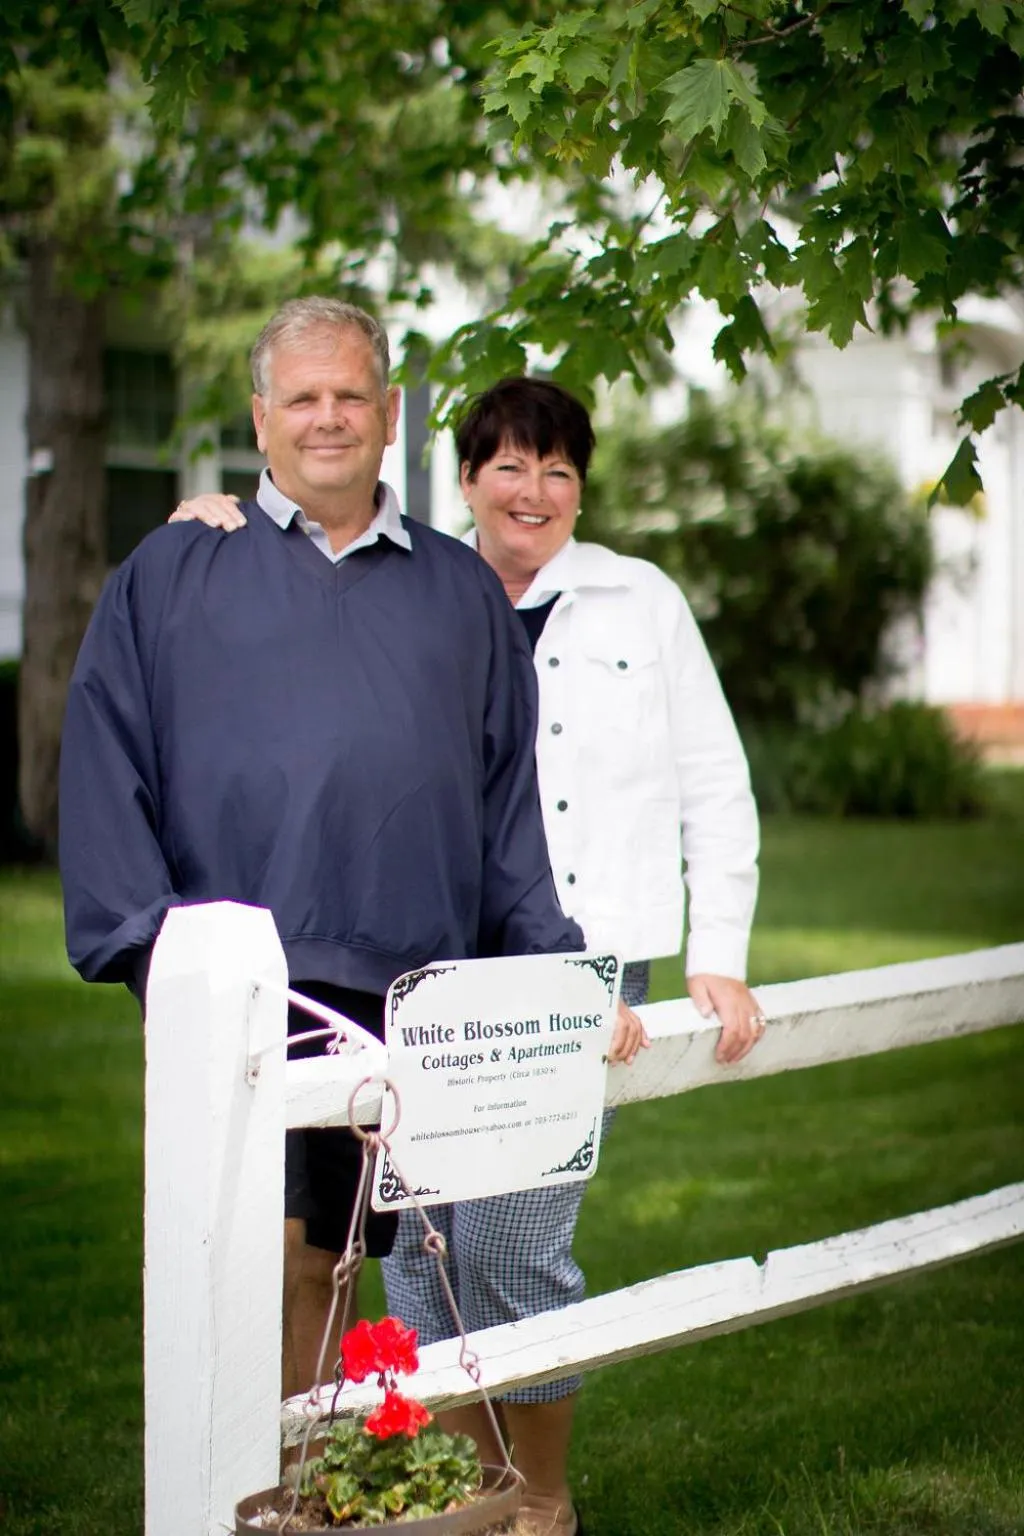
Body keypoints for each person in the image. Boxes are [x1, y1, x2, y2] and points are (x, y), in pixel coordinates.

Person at [171, 375, 764, 1535]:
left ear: (580, 487)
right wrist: (213, 523)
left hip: (582, 966)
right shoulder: (417, 587)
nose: (531, 490)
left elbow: (713, 781)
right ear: (471, 479)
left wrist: (722, 947)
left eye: (556, 469)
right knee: (417, 1238)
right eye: (507, 465)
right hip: (434, 963)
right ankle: (466, 1493)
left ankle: (539, 1495)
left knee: (512, 1238)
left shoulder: (639, 602)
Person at [58, 303, 586, 1406]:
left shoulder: (460, 595)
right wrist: (156, 956)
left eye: (351, 394)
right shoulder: (172, 576)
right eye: (302, 397)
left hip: (401, 982)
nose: (329, 417)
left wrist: (551, 970)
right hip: (242, 984)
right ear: (261, 419)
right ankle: (265, 1497)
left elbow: (505, 811)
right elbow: (107, 770)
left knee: (349, 1263)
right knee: (249, 1260)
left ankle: (331, 1490)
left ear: (391, 414)